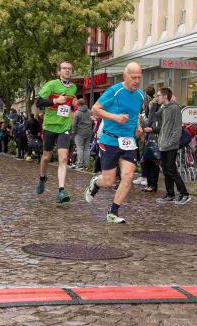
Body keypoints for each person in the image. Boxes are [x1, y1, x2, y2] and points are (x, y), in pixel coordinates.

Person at [84, 62, 145, 223]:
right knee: (109, 180)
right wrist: (115, 117)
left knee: (128, 176)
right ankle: (96, 182)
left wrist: (138, 127)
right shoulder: (114, 91)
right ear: (125, 76)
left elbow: (136, 114)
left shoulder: (140, 95)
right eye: (133, 77)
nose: (136, 81)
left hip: (129, 141)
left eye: (139, 78)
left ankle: (113, 212)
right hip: (110, 140)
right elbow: (95, 109)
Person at [35, 61, 78, 203]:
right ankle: (42, 178)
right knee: (46, 157)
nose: (67, 70)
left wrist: (74, 105)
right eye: (64, 68)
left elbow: (69, 106)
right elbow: (39, 103)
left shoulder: (73, 88)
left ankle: (61, 191)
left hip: (64, 126)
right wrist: (55, 101)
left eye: (69, 69)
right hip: (49, 126)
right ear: (58, 72)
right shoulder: (51, 85)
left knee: (63, 158)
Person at [153, 87, 190, 204]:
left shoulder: (174, 108)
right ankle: (170, 194)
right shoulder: (164, 108)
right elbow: (155, 116)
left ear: (165, 96)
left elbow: (177, 127)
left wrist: (172, 142)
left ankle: (184, 193)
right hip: (163, 144)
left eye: (158, 95)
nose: (156, 97)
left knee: (171, 169)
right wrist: (154, 104)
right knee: (166, 170)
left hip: (170, 145)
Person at [72, 98, 94, 170]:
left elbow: (74, 124)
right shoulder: (90, 112)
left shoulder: (77, 113)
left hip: (79, 132)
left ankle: (80, 164)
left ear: (78, 104)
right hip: (88, 132)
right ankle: (86, 165)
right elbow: (92, 121)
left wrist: (73, 132)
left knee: (80, 148)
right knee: (86, 148)